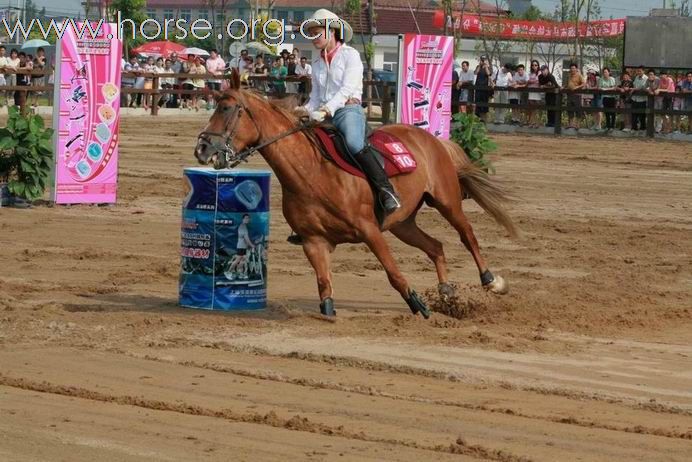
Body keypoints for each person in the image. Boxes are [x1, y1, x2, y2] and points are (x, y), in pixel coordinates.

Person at [297, 8, 401, 216]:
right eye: (311, 33)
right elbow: (316, 96)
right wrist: (304, 110)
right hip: (323, 113)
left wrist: (326, 109)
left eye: (318, 32)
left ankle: (386, 191)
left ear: (332, 32)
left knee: (354, 143)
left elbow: (346, 90)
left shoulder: (350, 55)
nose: (313, 37)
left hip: (348, 110)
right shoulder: (316, 62)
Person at [226, 214, 255, 280]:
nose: (247, 219)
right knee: (238, 259)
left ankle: (239, 273)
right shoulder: (242, 227)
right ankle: (228, 271)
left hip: (244, 247)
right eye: (246, 218)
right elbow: (246, 238)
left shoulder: (245, 227)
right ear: (243, 219)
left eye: (248, 218)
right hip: (241, 246)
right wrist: (251, 245)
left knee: (243, 260)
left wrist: (249, 246)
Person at [564, 63, 585, 129]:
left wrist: (577, 87)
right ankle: (571, 124)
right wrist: (563, 87)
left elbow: (584, 83)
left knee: (578, 110)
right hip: (569, 95)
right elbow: (566, 84)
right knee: (570, 109)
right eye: (571, 68)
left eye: (573, 68)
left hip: (577, 95)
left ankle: (577, 124)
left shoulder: (579, 75)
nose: (572, 69)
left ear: (576, 69)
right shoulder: (569, 76)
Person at [474, 55, 492, 122]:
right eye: (482, 60)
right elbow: (476, 73)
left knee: (484, 103)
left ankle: (484, 119)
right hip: (478, 87)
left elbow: (488, 74)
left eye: (484, 60)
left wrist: (486, 66)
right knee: (477, 103)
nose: (483, 61)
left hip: (485, 88)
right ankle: (478, 118)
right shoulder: (478, 67)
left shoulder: (488, 67)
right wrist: (479, 65)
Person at [631, 66, 648, 132]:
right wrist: (634, 88)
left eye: (640, 71)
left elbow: (643, 87)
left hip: (642, 99)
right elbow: (634, 85)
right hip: (635, 99)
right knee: (634, 114)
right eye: (638, 71)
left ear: (643, 71)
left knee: (642, 115)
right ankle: (634, 128)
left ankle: (642, 128)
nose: (639, 72)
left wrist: (634, 89)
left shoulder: (646, 78)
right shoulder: (636, 77)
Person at [526, 60, 542, 128]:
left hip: (537, 92)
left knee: (537, 108)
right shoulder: (530, 73)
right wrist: (531, 81)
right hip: (531, 91)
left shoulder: (539, 73)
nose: (534, 66)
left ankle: (537, 122)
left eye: (536, 65)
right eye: (533, 65)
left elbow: (538, 81)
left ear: (538, 66)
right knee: (532, 108)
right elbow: (528, 81)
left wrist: (531, 81)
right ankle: (532, 122)